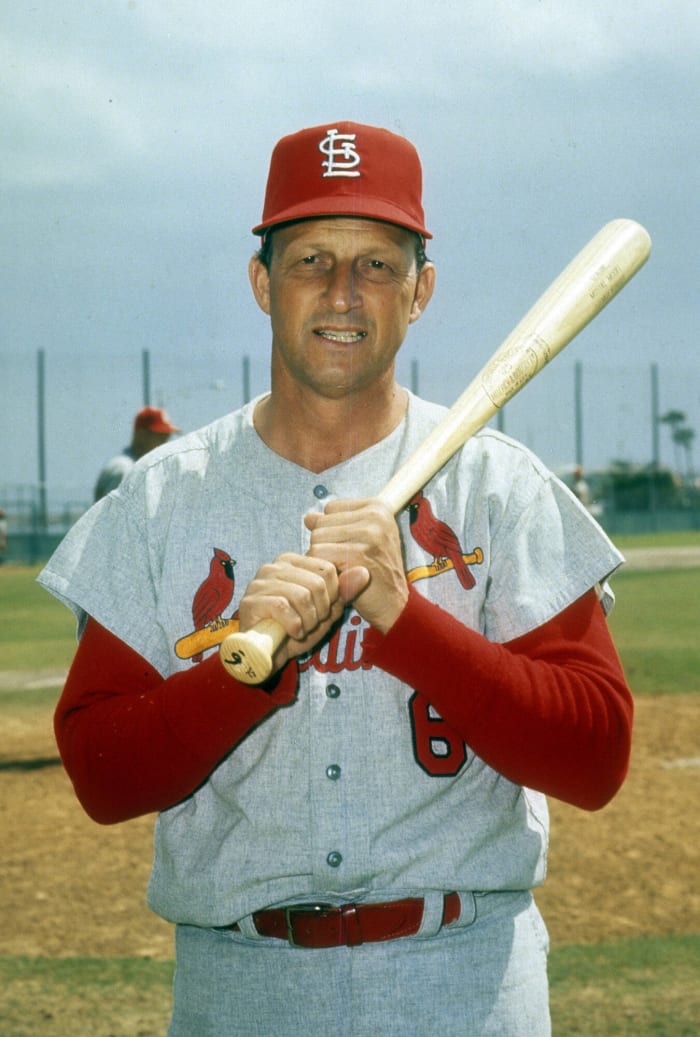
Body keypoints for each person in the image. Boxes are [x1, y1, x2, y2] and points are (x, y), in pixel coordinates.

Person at [39, 122, 633, 1036]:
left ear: (420, 290)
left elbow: (594, 758)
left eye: (378, 264)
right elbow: (100, 774)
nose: (343, 293)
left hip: (464, 978)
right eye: (312, 257)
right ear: (262, 280)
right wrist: (248, 673)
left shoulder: (498, 485)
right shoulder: (164, 498)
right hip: (242, 983)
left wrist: (407, 619)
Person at [93, 405, 180, 501]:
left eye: (167, 437)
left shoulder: (139, 467)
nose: (165, 443)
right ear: (142, 434)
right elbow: (114, 515)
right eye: (160, 436)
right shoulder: (124, 469)